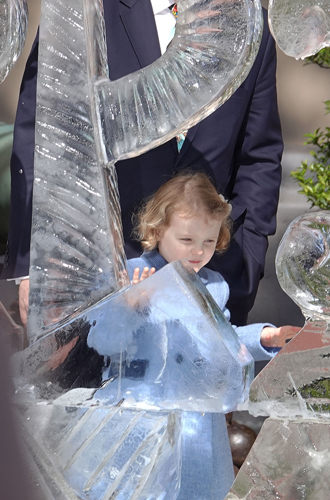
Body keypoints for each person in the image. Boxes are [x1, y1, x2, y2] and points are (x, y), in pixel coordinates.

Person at [1, 0, 283, 329]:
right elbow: (41, 133)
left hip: (209, 285)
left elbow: (259, 156)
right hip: (98, 287)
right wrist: (32, 266)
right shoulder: (89, 10)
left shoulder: (248, 25)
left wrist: (246, 266)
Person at [125, 171, 299, 500]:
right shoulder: (137, 273)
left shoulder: (214, 285)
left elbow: (225, 339)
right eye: (187, 240)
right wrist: (132, 303)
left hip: (198, 417)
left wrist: (265, 337)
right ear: (158, 230)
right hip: (146, 408)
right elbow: (107, 335)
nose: (198, 251)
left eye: (208, 241)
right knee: (147, 486)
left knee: (198, 487)